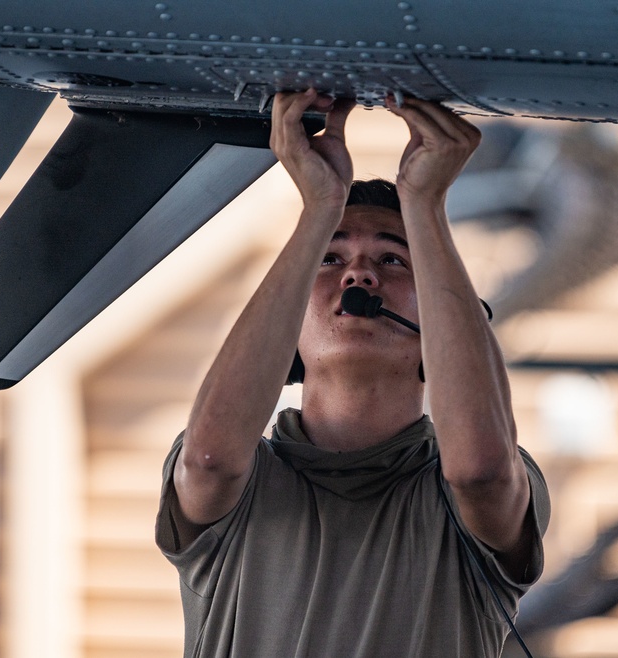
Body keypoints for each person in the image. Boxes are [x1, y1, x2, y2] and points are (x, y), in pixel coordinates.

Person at [155, 88, 550, 657]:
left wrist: (427, 204)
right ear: (289, 323)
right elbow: (210, 460)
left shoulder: (492, 479)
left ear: (439, 330)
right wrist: (318, 208)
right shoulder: (244, 479)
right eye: (330, 259)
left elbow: (481, 472)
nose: (359, 277)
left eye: (393, 259)